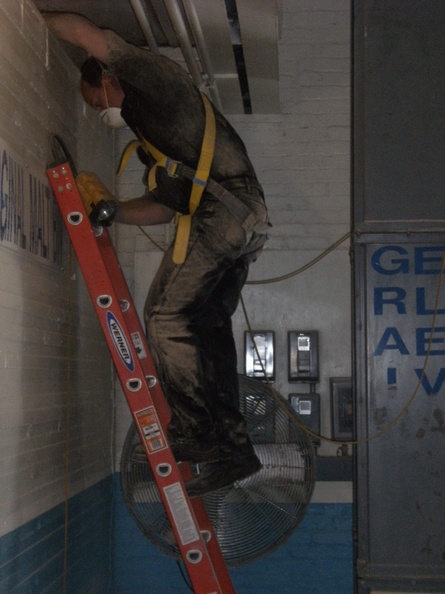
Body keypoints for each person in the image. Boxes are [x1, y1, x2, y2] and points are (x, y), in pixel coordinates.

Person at [43, 12, 270, 497]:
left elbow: (87, 34)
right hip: (241, 222)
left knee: (166, 318)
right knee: (203, 329)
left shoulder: (153, 82)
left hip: (225, 213)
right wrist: (113, 211)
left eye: (94, 100)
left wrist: (25, 12)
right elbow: (165, 211)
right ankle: (234, 449)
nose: (101, 111)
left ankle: (197, 436)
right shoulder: (155, 136)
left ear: (105, 80)